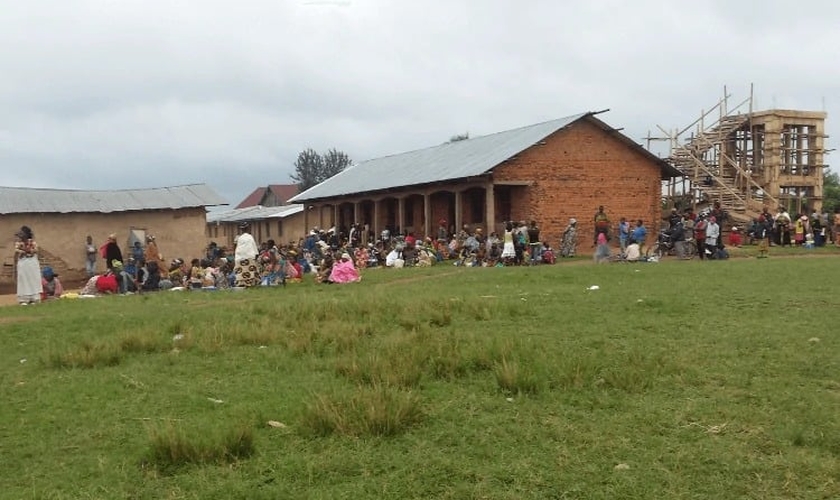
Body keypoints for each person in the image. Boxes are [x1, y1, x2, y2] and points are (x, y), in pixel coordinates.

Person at [14, 226, 41, 305]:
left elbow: (36, 250)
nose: (20, 235)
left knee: (33, 278)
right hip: (23, 263)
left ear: (26, 234)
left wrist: (28, 251)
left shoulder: (33, 242)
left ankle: (34, 298)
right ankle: (24, 299)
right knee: (23, 279)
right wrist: (24, 251)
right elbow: (17, 251)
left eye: (22, 233)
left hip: (32, 263)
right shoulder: (18, 243)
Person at [233, 222, 259, 287]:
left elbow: (236, 248)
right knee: (250, 271)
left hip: (239, 258)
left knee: (241, 272)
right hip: (249, 257)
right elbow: (254, 247)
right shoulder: (250, 237)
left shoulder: (238, 238)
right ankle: (250, 284)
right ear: (248, 228)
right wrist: (256, 256)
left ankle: (241, 284)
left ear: (241, 229)